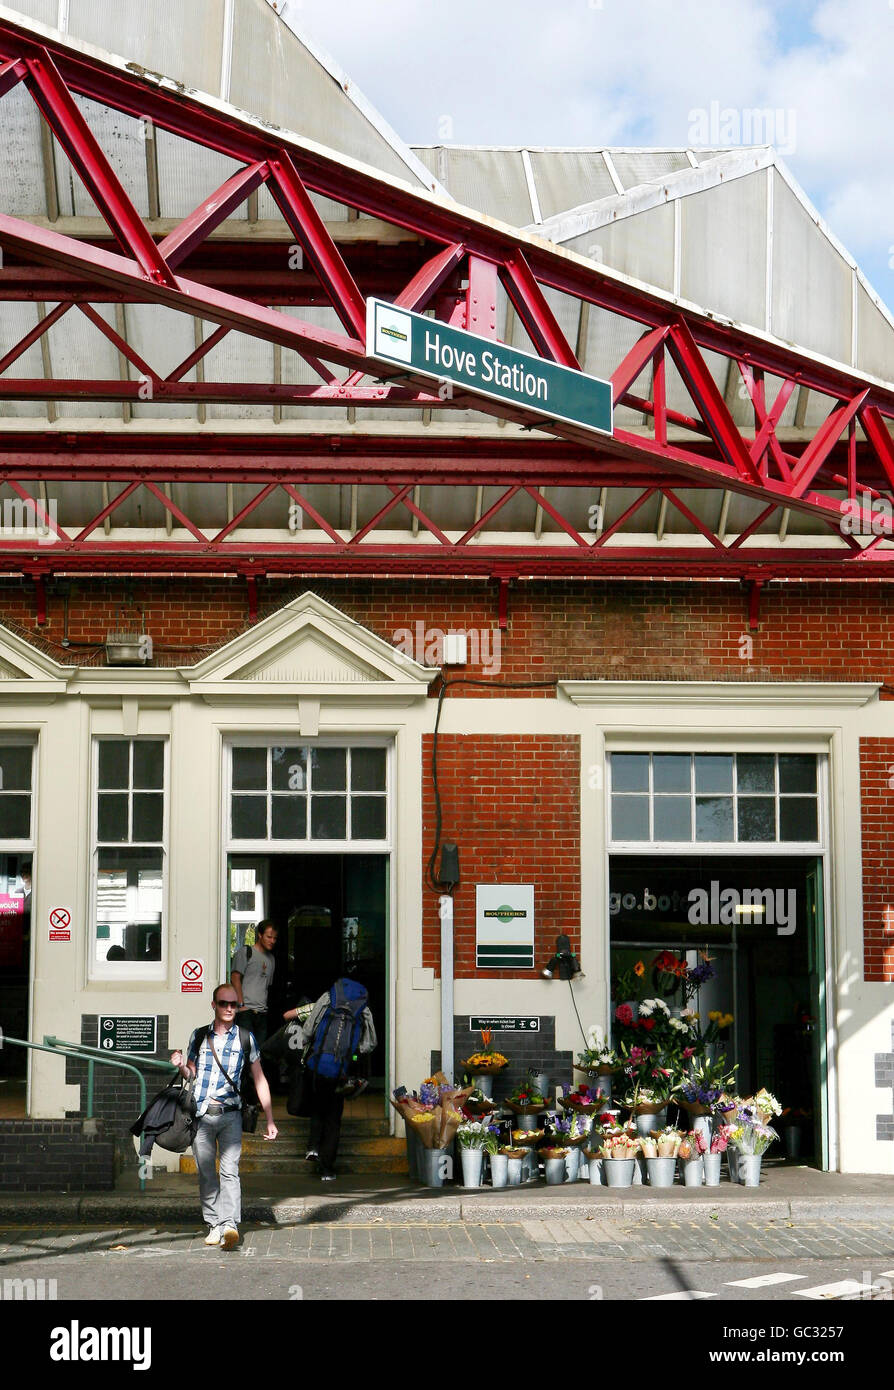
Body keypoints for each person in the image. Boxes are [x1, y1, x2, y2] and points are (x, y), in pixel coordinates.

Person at [170, 983, 277, 1249]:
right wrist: (182, 1065)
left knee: (230, 1172)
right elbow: (191, 1074)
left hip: (231, 1115)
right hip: (202, 1115)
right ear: (214, 1005)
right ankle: (214, 1224)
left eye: (234, 1004)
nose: (229, 1009)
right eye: (223, 1003)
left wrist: (270, 1118)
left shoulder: (245, 1038)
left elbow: (259, 1078)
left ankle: (230, 1224)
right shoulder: (199, 1036)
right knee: (206, 1173)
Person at [285, 976, 376, 1181]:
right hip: (341, 1070)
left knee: (318, 1107)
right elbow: (369, 1043)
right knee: (334, 1118)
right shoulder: (363, 1008)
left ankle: (313, 1148)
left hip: (316, 1066)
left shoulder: (327, 998)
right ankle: (327, 1169)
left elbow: (308, 1030)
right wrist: (354, 1053)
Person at [230, 918, 277, 1045]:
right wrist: (241, 1005)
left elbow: (267, 985)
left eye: (274, 938)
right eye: (269, 937)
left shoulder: (271, 959)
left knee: (258, 1053)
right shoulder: (246, 952)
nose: (272, 941)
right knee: (245, 1051)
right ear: (260, 935)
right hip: (245, 1013)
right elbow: (235, 978)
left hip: (262, 1013)